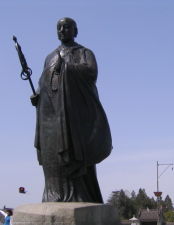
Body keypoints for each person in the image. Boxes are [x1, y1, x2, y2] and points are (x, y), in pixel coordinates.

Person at [30, 17, 112, 203]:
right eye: (59, 27)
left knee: (74, 153)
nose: (62, 30)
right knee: (52, 153)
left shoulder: (84, 52)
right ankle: (53, 194)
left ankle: (79, 195)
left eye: (67, 27)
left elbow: (91, 73)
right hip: (51, 115)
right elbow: (45, 81)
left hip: (74, 115)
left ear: (75, 31)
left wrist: (65, 67)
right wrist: (38, 95)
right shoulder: (50, 57)